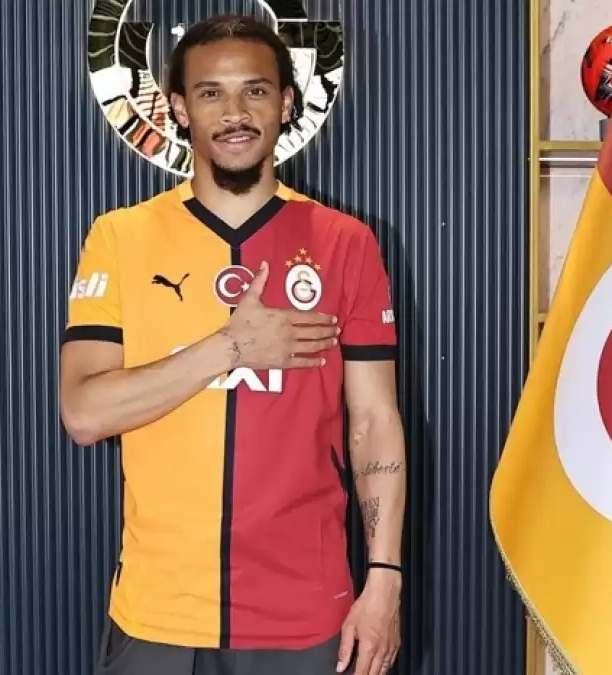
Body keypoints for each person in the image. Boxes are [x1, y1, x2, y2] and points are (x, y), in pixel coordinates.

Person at [60, 13, 407, 675]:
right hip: (157, 614)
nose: (234, 113)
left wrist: (384, 577)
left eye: (255, 90)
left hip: (306, 614)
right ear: (178, 110)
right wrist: (229, 348)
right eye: (210, 93)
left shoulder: (346, 242)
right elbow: (84, 413)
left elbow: (374, 422)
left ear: (286, 103)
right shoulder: (120, 237)